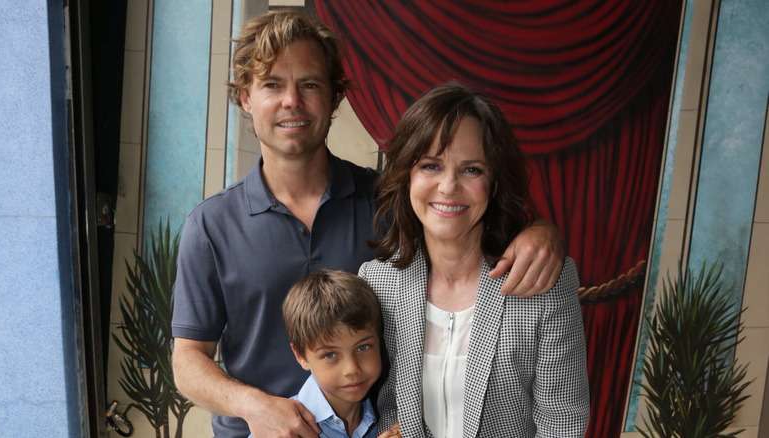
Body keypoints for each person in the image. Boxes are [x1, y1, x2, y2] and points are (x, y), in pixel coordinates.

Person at [171, 10, 564, 438]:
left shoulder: (390, 200)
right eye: (272, 85)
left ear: (335, 97)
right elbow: (189, 359)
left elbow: (471, 219)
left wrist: (543, 232)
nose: (291, 101)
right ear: (246, 98)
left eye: (310, 84)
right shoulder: (210, 226)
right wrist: (253, 406)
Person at [359, 82, 590, 437]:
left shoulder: (544, 285)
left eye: (472, 170)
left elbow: (563, 424)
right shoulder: (376, 284)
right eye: (431, 166)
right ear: (407, 175)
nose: (448, 186)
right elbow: (352, 402)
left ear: (494, 183)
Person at [270, 269, 401, 438]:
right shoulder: (280, 429)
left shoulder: (391, 418)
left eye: (363, 347)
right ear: (300, 356)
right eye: (330, 355)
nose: (352, 369)